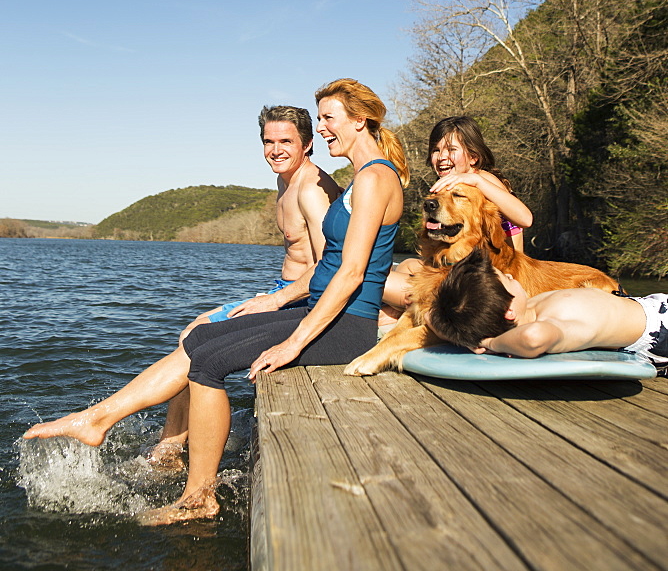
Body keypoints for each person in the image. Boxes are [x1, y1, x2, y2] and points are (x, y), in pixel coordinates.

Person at [24, 78, 410, 525]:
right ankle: (99, 419)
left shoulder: (376, 178)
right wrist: (275, 301)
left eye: (328, 118)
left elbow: (350, 273)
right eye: (319, 117)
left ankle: (199, 498)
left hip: (346, 325)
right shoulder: (361, 179)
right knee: (201, 339)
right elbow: (333, 269)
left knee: (209, 365)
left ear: (359, 121)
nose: (322, 128)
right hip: (322, 311)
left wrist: (294, 342)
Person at [151, 104, 341, 466]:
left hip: (297, 298)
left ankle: (171, 446)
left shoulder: (311, 190)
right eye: (268, 141)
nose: (275, 149)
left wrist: (275, 301)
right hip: (280, 288)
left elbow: (325, 268)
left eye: (286, 140)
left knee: (194, 336)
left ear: (308, 143)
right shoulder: (284, 180)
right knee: (191, 332)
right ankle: (175, 441)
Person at [379, 115, 532, 328]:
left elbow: (525, 218)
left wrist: (476, 180)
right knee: (406, 265)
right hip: (464, 265)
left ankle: (401, 313)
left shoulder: (482, 180)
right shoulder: (451, 186)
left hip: (497, 276)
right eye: (436, 150)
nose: (442, 156)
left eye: (451, 150)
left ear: (473, 158)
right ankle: (398, 312)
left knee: (383, 281)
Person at [426, 246, 668, 371]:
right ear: (509, 311)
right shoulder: (549, 323)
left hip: (649, 306)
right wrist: (490, 344)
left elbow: (432, 317)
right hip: (658, 332)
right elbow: (534, 339)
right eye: (506, 279)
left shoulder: (528, 310)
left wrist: (473, 339)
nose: (511, 274)